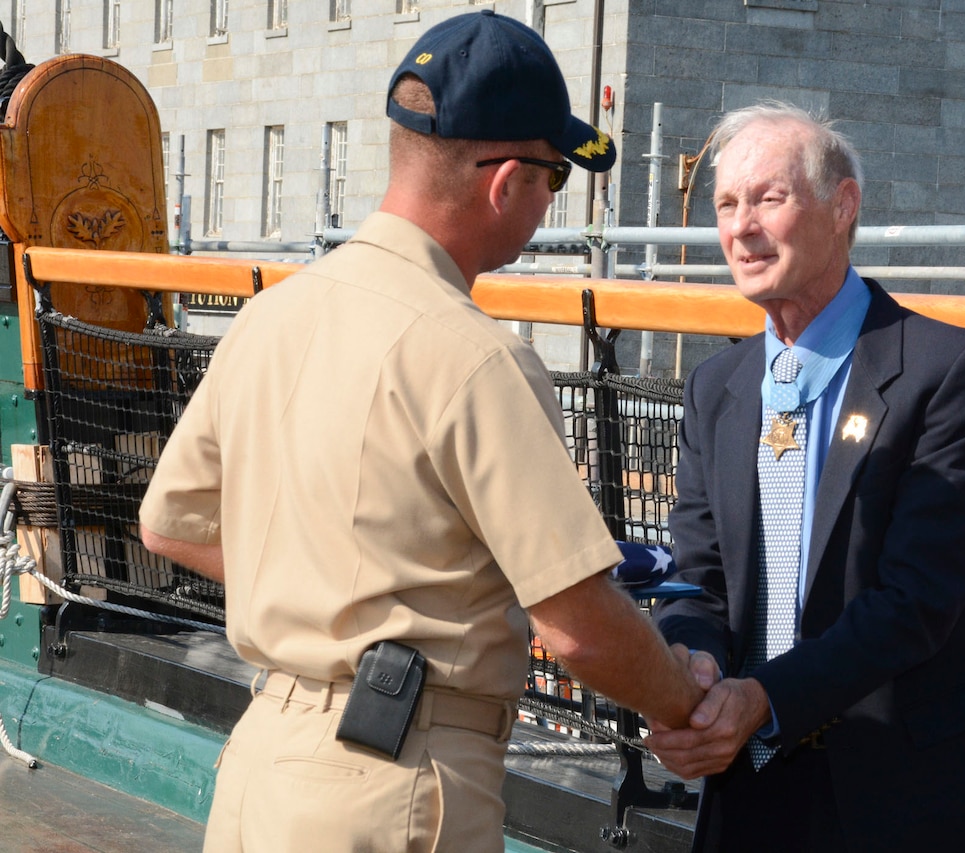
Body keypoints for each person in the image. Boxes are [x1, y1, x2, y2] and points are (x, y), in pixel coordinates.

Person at [138, 11, 704, 852]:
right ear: (504, 181)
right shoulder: (477, 359)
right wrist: (688, 704)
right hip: (394, 778)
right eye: (553, 178)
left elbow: (169, 522)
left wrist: (332, 583)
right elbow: (576, 623)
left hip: (263, 761)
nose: (549, 202)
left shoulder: (268, 316)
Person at [644, 102, 965, 852]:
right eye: (727, 205)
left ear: (843, 206)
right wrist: (689, 677)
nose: (741, 228)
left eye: (769, 198)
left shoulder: (949, 369)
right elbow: (698, 580)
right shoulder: (715, 387)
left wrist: (763, 699)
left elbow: (917, 598)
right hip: (754, 794)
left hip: (918, 801)